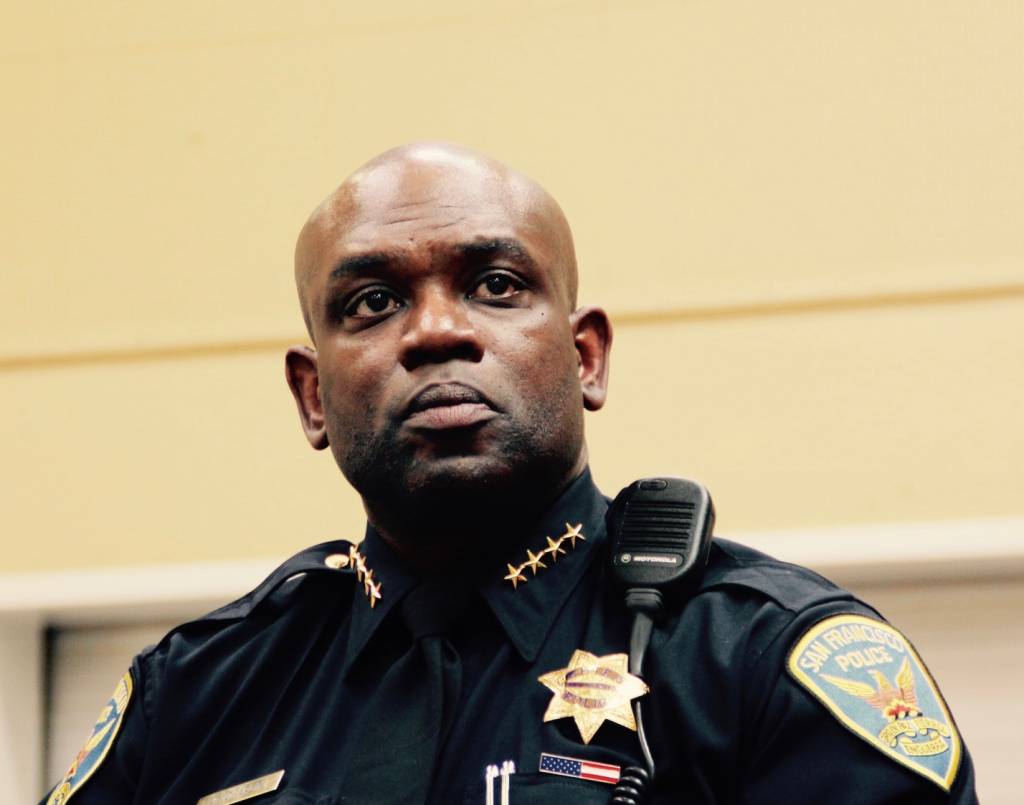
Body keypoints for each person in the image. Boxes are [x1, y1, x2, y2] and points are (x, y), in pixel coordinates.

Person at [43, 143, 978, 804]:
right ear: (312, 396)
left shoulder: (762, 665)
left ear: (588, 358)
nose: (437, 330)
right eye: (372, 301)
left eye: (496, 284)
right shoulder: (199, 695)